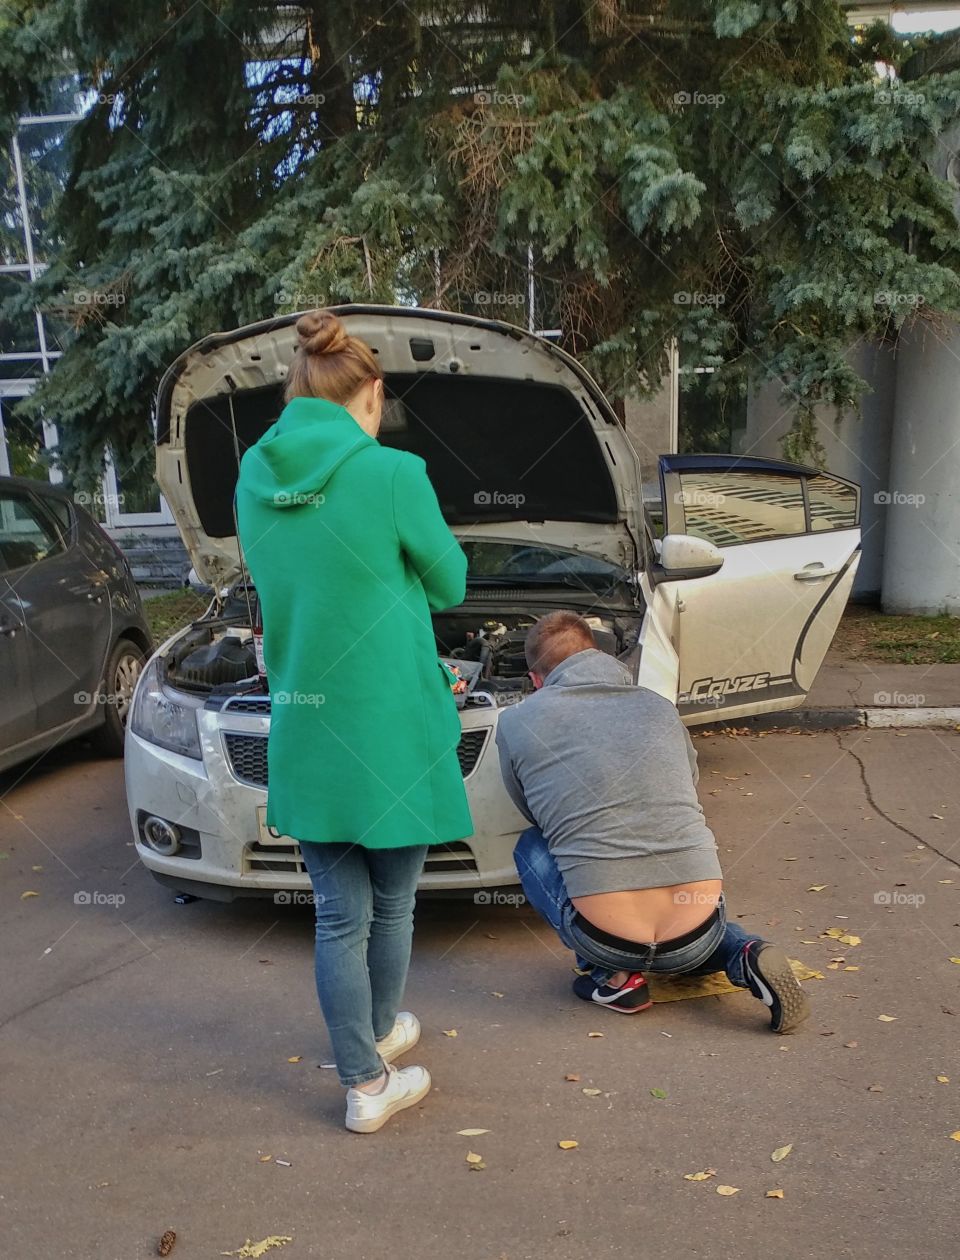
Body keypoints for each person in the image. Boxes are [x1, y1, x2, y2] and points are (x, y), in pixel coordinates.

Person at [236, 309, 473, 1131]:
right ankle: (368, 1079)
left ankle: (369, 1048)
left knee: (339, 914)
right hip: (394, 728)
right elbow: (451, 583)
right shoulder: (393, 473)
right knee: (394, 903)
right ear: (369, 393)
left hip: (307, 727)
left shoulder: (252, 478)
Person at [495, 610, 810, 1033]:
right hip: (697, 931)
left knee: (532, 844)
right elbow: (687, 783)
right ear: (598, 654)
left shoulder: (517, 721)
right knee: (688, 902)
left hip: (605, 938)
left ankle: (614, 978)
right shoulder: (660, 707)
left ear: (537, 679)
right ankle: (744, 953)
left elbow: (530, 809)